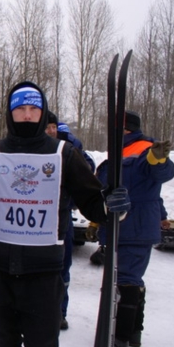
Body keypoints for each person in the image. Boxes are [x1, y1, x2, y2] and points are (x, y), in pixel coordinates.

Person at [0, 82, 130, 347]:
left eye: (34, 109)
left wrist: (114, 205)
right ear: (10, 113)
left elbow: (94, 206)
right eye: (21, 109)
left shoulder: (64, 154)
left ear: (43, 113)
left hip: (43, 273)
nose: (28, 115)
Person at [90, 110, 174, 347]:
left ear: (123, 128)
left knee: (126, 280)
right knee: (130, 279)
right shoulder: (121, 151)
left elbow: (162, 174)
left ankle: (120, 339)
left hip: (134, 227)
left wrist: (159, 160)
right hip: (123, 226)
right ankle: (134, 332)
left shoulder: (145, 151)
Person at [45, 114, 96, 330]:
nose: (49, 131)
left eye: (52, 127)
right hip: (35, 220)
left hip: (61, 217)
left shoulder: (69, 147)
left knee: (61, 269)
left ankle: (59, 313)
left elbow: (88, 173)